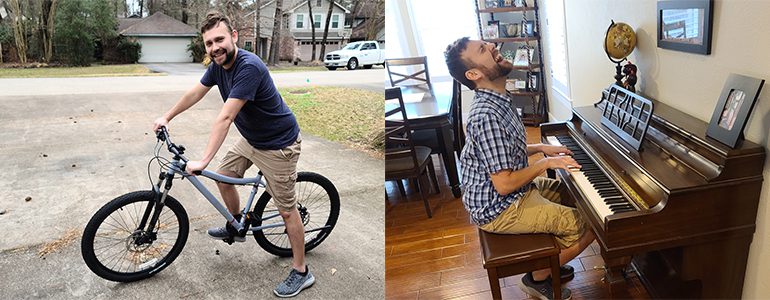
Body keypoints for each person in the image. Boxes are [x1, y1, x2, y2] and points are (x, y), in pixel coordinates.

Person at [151, 11, 312, 298]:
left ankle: (302, 271)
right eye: (209, 43)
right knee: (224, 177)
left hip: (279, 145)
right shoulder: (218, 64)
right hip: (253, 139)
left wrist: (203, 161)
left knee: (288, 211)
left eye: (220, 39)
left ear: (234, 36)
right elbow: (195, 93)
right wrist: (167, 116)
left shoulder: (248, 66)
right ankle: (236, 224)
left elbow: (225, 118)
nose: (215, 47)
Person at [444, 37, 595, 300]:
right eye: (482, 49)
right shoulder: (486, 115)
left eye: (486, 43)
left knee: (576, 194)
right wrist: (546, 163)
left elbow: (503, 152)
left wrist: (540, 149)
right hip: (499, 207)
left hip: (512, 192)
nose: (492, 46)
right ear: (474, 74)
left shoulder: (499, 99)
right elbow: (504, 183)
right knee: (588, 222)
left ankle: (547, 262)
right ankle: (540, 275)